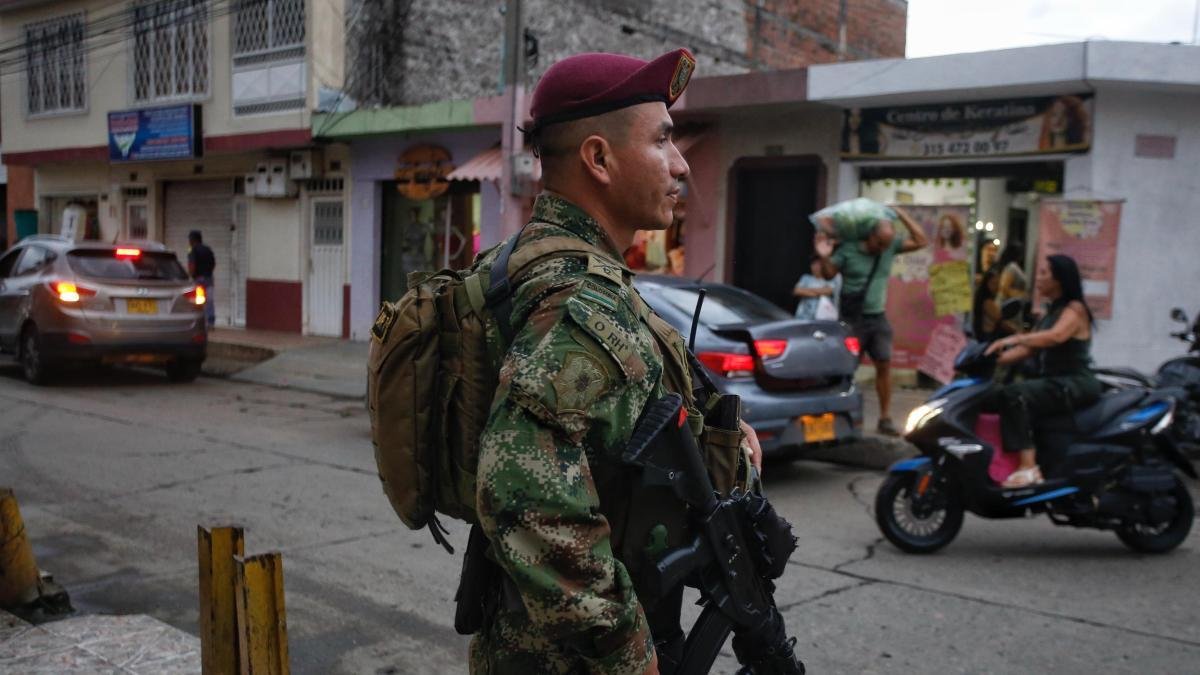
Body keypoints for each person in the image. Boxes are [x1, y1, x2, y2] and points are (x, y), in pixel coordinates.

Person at [470, 49, 763, 675]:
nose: (681, 163)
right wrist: (627, 654)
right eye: (662, 140)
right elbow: (521, 493)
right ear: (599, 159)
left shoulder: (530, 260)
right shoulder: (580, 303)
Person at [983, 255, 1102, 487]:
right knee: (991, 396)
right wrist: (990, 358)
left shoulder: (1075, 309)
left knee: (1015, 394)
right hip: (1055, 382)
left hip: (1074, 381)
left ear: (1060, 279)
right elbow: (1029, 349)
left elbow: (1055, 337)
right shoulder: (1050, 312)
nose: (1038, 278)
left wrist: (1014, 338)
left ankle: (1029, 468)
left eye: (1045, 273)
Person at [815, 206, 928, 436]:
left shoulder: (889, 248)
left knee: (884, 366)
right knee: (845, 369)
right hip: (851, 320)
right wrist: (824, 255)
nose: (883, 248)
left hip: (877, 318)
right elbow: (827, 274)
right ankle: (837, 416)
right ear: (870, 235)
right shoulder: (848, 250)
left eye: (887, 244)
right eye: (880, 243)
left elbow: (921, 240)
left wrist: (901, 214)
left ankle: (884, 418)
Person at [792, 255, 840, 320]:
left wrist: (805, 291)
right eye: (813, 264)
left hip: (821, 318)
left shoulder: (829, 279)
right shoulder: (806, 277)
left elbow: (828, 291)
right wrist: (820, 292)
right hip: (803, 316)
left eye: (819, 265)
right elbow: (796, 291)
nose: (816, 267)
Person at [186, 230, 216, 328]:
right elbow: (213, 264)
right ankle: (210, 322)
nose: (189, 241)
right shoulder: (208, 249)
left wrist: (190, 276)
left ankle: (198, 321)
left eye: (190, 239)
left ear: (193, 239)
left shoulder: (192, 250)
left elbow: (192, 264)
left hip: (198, 279)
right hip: (209, 279)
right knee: (209, 300)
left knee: (196, 301)